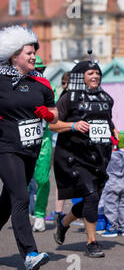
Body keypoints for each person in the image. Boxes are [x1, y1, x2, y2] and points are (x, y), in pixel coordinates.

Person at [0, 25, 58, 270]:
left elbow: (55, 114)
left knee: (7, 202)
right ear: (14, 56)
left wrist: (49, 114)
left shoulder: (41, 83)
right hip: (6, 148)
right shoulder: (1, 80)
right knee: (22, 197)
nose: (34, 56)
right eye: (28, 53)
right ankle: (30, 253)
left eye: (35, 52)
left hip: (30, 150)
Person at [50, 52, 118, 258]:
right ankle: (92, 243)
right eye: (90, 73)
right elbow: (53, 125)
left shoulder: (106, 98)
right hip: (73, 156)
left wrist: (116, 134)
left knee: (92, 199)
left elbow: (108, 123)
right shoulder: (68, 97)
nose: (96, 76)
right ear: (80, 76)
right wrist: (73, 125)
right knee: (90, 196)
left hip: (98, 156)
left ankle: (63, 223)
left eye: (97, 72)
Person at [31, 55, 58, 232]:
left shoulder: (50, 86)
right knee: (21, 180)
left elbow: (55, 115)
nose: (39, 72)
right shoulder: (17, 85)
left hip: (43, 139)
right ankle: (26, 211)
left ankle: (40, 213)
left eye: (42, 69)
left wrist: (48, 115)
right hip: (20, 139)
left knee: (42, 178)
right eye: (36, 69)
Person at [99, 134, 124, 238]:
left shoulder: (108, 156)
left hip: (111, 184)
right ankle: (123, 228)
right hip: (122, 183)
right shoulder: (122, 154)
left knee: (111, 207)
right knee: (122, 207)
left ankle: (111, 229)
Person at [46, 71, 71, 222]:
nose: (65, 85)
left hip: (74, 145)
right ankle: (58, 211)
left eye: (68, 82)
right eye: (63, 82)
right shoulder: (61, 99)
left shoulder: (78, 99)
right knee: (59, 179)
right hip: (59, 143)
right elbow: (53, 124)